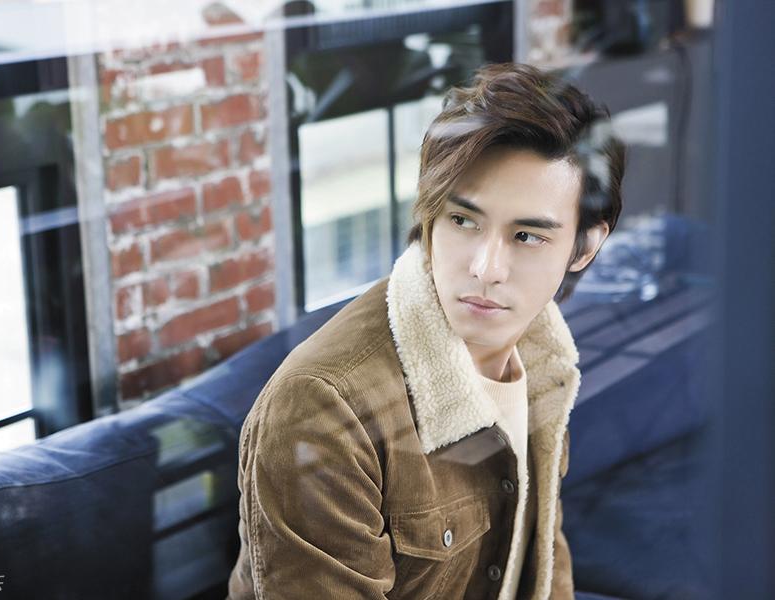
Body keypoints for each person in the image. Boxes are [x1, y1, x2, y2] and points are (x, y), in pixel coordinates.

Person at [227, 61, 626, 600]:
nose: (486, 268)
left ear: (585, 247)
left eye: (527, 236)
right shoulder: (324, 409)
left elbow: (544, 563)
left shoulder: (543, 357)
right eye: (463, 221)